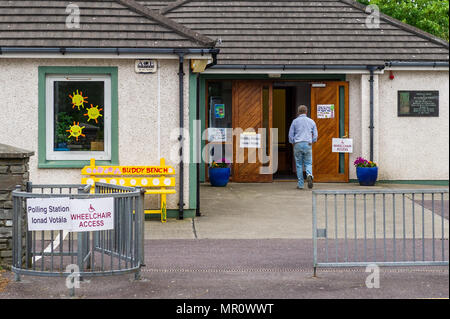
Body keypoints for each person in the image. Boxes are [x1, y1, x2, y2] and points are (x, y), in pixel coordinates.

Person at [288, 105, 318, 189]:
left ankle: (300, 184)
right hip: (307, 143)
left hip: (298, 144)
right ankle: (309, 174)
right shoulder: (311, 121)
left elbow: (290, 135)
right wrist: (312, 141)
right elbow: (315, 135)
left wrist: (292, 143)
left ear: (298, 112)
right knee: (308, 163)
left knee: (299, 164)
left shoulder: (295, 121)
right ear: (306, 111)